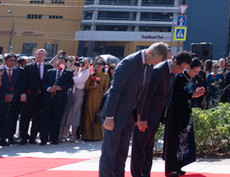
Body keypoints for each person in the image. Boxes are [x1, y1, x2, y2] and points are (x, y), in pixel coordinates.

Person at [99, 42, 169, 177]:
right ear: (150, 53)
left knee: (122, 152)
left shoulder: (149, 66)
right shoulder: (129, 63)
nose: (155, 64)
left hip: (129, 116)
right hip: (115, 114)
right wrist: (109, 116)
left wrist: (139, 116)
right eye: (155, 60)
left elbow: (143, 93)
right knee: (109, 152)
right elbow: (115, 90)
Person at [131, 51, 192, 177]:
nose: (181, 71)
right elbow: (145, 95)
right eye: (181, 68)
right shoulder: (159, 70)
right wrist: (141, 117)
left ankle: (146, 173)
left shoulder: (171, 73)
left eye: (184, 69)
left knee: (148, 149)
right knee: (139, 149)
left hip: (156, 117)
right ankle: (137, 174)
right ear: (174, 61)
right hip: (146, 117)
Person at [163, 58, 205, 177]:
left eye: (198, 72)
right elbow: (176, 96)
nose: (195, 74)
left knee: (184, 140)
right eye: (194, 71)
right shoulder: (179, 78)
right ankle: (171, 169)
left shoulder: (194, 80)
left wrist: (198, 94)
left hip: (186, 113)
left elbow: (192, 97)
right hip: (175, 114)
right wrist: (192, 94)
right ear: (188, 67)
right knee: (174, 141)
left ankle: (179, 166)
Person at [19, 48, 53, 144]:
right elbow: (23, 81)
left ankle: (33, 137)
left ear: (45, 56)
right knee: (25, 117)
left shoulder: (49, 67)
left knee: (37, 118)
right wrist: (23, 93)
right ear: (35, 55)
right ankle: (23, 137)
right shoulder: (29, 67)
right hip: (29, 96)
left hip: (42, 96)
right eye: (38, 54)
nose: (40, 56)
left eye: (42, 54)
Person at [0, 52, 22, 146]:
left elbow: (19, 85)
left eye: (14, 61)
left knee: (9, 119)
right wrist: (5, 94)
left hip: (13, 99)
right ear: (6, 61)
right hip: (1, 98)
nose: (12, 62)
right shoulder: (0, 70)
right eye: (10, 60)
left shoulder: (18, 71)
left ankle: (4, 138)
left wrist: (12, 95)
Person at [40, 60, 74, 144]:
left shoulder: (68, 72)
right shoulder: (50, 72)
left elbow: (70, 83)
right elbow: (43, 83)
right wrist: (48, 88)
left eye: (62, 62)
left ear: (65, 64)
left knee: (57, 119)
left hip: (60, 99)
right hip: (48, 98)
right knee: (46, 119)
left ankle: (54, 138)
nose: (59, 63)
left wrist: (61, 87)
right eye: (58, 62)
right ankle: (43, 138)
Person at [60, 57, 90, 142]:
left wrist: (76, 70)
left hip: (78, 93)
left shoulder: (86, 72)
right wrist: (76, 68)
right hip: (71, 92)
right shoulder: (77, 69)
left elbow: (76, 80)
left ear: (88, 65)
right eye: (82, 62)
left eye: (86, 62)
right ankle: (64, 134)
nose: (83, 63)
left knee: (75, 113)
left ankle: (73, 135)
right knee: (67, 112)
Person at [82, 58, 110, 141]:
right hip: (90, 97)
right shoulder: (92, 75)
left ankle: (97, 135)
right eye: (97, 64)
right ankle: (87, 135)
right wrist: (93, 86)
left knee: (97, 115)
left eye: (100, 64)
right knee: (88, 115)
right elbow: (86, 87)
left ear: (103, 66)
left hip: (99, 98)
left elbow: (106, 88)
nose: (98, 65)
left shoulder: (106, 75)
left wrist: (104, 99)